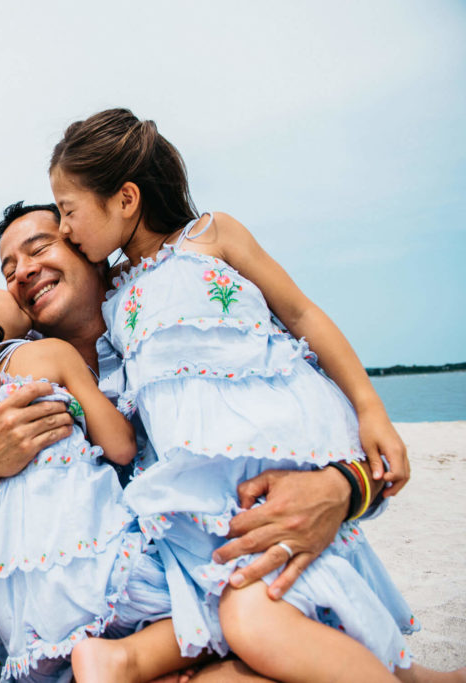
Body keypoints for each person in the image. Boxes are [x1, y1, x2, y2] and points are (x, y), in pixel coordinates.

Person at [0, 197, 397, 682]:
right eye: (6, 268)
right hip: (37, 603)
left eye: (42, 247)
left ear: (88, 247)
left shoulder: (167, 322)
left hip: (162, 592)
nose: (22, 271)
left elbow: (292, 417)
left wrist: (350, 483)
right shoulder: (15, 374)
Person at [48, 107, 437, 681]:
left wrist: (371, 408)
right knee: (268, 609)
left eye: (68, 209)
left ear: (125, 198)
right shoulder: (114, 293)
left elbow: (302, 312)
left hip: (281, 455)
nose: (62, 228)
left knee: (260, 612)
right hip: (206, 498)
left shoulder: (213, 235)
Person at [0, 266, 209, 681]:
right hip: (93, 560)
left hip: (22, 608)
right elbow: (120, 445)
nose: (7, 287)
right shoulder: (47, 355)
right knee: (209, 607)